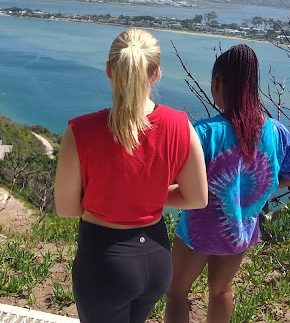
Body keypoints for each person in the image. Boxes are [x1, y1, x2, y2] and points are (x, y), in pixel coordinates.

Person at [54, 28, 208, 323]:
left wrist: (116, 193)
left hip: (104, 259)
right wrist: (149, 193)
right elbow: (197, 198)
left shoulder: (80, 131)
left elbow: (66, 208)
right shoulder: (181, 125)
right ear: (156, 73)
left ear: (109, 70)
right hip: (157, 258)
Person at [165, 44, 290, 323]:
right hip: (239, 232)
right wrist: (264, 186)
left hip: (198, 231)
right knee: (221, 290)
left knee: (176, 292)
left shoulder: (204, 133)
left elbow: (172, 178)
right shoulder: (275, 131)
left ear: (218, 83)